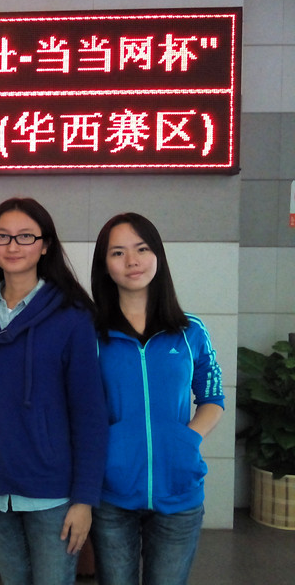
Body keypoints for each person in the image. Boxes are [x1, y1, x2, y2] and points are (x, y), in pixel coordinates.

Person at [0, 197, 108, 585]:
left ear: (45, 245)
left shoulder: (72, 317)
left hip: (52, 494)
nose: (13, 246)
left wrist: (84, 499)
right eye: (2, 236)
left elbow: (90, 415)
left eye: (25, 236)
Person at [89, 213, 224, 585]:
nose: (132, 261)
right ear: (104, 265)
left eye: (142, 249)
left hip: (179, 491)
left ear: (158, 256)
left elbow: (212, 396)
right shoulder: (91, 334)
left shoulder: (190, 331)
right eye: (118, 252)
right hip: (111, 492)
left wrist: (188, 438)